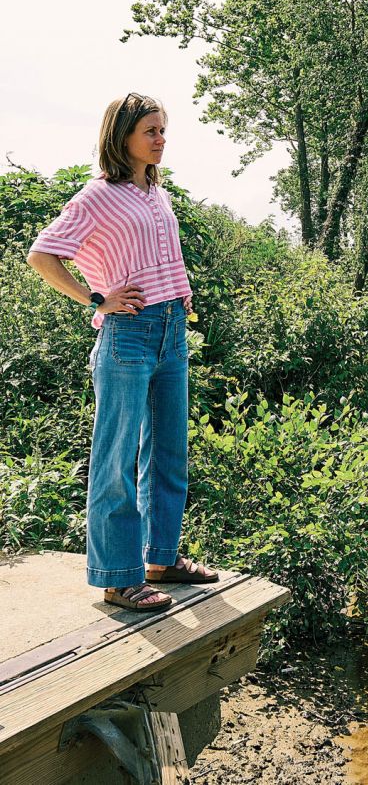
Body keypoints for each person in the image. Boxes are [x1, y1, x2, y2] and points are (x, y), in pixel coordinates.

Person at [26, 92, 218, 611]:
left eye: (163, 130)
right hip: (128, 335)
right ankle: (118, 576)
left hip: (171, 332)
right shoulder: (97, 195)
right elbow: (42, 255)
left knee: (168, 454)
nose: (160, 139)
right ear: (122, 136)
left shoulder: (158, 193)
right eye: (150, 131)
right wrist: (96, 298)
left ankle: (160, 558)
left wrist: (180, 291)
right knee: (117, 458)